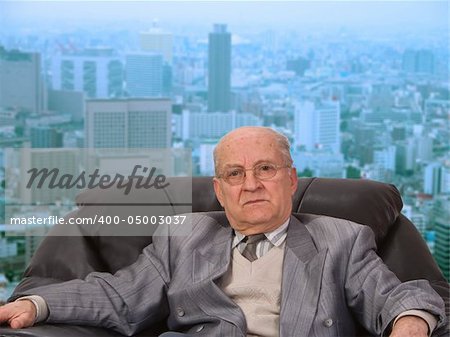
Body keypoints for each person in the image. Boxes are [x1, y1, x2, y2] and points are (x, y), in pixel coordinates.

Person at [0, 126, 446, 337]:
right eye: (235, 174)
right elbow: (119, 296)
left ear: (291, 180)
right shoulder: (184, 235)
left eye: (265, 169)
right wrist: (35, 304)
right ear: (220, 189)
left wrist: (409, 325)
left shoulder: (340, 238)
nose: (250, 184)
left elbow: (398, 295)